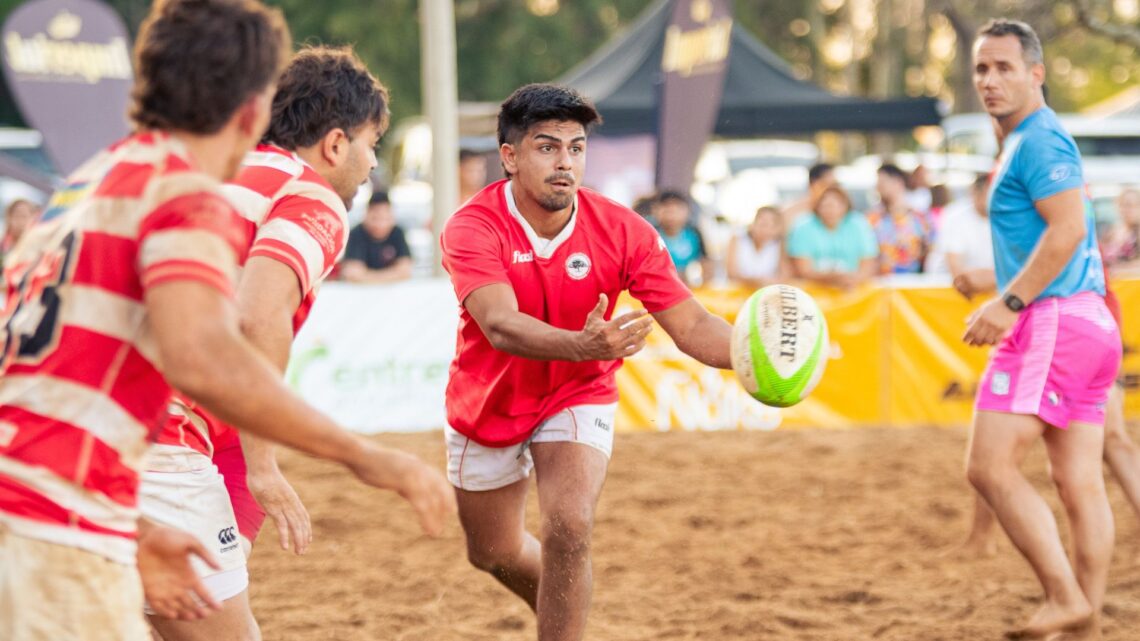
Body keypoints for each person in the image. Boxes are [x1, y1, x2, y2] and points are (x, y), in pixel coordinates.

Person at [0, 4, 453, 640]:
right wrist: (365, 457)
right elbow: (228, 337)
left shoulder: (87, 183)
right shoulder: (201, 192)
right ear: (250, 103)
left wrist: (137, 529)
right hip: (117, 477)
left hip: (41, 484)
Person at [439, 83, 735, 641]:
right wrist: (584, 344)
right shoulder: (471, 226)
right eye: (547, 147)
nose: (565, 163)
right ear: (510, 156)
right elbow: (499, 325)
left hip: (579, 390)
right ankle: (561, 609)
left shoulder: (625, 230)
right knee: (493, 551)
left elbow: (692, 325)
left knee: (570, 526)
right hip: (489, 399)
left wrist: (749, 356)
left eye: (576, 148)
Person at [139, 44, 404, 641]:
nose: (370, 167)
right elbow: (258, 316)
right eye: (372, 145)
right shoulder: (311, 195)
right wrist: (264, 466)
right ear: (336, 144)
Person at [962, 19, 1121, 639]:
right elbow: (1051, 236)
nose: (990, 80)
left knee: (988, 468)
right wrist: (992, 280)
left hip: (1051, 321)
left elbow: (1069, 230)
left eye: (1003, 67)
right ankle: (1084, 621)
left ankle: (1064, 597)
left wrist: (1009, 301)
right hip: (1085, 320)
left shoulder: (1039, 141)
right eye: (981, 69)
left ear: (1037, 74)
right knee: (1079, 482)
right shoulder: (1027, 141)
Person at [786, 185, 878, 289]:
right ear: (817, 207)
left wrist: (852, 280)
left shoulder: (859, 224)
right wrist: (831, 278)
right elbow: (803, 269)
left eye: (835, 205)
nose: (831, 210)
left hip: (853, 289)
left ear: (845, 206)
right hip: (815, 289)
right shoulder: (803, 226)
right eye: (826, 205)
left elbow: (868, 264)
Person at [926, 174, 995, 284]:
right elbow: (957, 272)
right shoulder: (955, 215)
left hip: (985, 288)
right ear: (975, 192)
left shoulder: (1004, 218)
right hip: (945, 287)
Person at [866, 163, 933, 274]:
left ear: (898, 182)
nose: (878, 188)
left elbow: (932, 250)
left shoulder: (921, 218)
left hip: (915, 285)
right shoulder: (873, 219)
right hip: (879, 285)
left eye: (882, 183)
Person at [339, 191, 413, 283]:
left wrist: (366, 276)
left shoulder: (398, 233)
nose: (380, 224)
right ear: (366, 215)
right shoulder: (356, 234)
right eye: (375, 218)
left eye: (385, 218)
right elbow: (352, 273)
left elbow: (405, 270)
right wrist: (393, 275)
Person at [652, 190, 709, 286]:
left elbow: (706, 264)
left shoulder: (694, 233)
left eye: (676, 210)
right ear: (655, 211)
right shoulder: (651, 233)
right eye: (667, 210)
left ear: (687, 211)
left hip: (688, 287)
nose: (671, 216)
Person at [726, 205, 788, 288]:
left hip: (766, 292)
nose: (766, 230)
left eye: (772, 225)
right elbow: (732, 274)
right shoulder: (737, 239)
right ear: (753, 223)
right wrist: (757, 282)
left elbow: (785, 275)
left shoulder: (778, 244)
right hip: (738, 291)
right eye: (763, 224)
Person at [1103, 187, 1140, 271]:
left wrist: (1120, 268)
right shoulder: (1112, 231)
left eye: (1131, 205)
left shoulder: (1137, 233)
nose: (1127, 210)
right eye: (1123, 205)